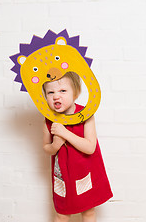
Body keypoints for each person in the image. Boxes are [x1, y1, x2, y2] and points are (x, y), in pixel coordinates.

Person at [43, 72, 113, 222]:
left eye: (62, 91)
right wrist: (55, 144)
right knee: (61, 213)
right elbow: (46, 148)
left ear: (75, 93)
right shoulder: (48, 119)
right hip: (63, 173)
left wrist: (65, 134)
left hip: (84, 170)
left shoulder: (86, 114)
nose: (56, 96)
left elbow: (90, 148)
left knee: (88, 211)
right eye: (50, 92)